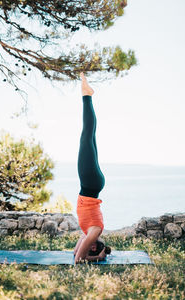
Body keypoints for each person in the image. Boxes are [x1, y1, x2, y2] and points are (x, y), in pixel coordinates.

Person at [74, 73, 111, 264]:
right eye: (96, 246)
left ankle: (88, 95)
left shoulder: (87, 232)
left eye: (92, 247)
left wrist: (90, 254)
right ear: (100, 243)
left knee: (90, 135)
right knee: (86, 135)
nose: (91, 244)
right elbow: (78, 260)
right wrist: (98, 257)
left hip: (92, 184)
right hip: (90, 183)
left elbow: (76, 253)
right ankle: (86, 95)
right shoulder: (95, 230)